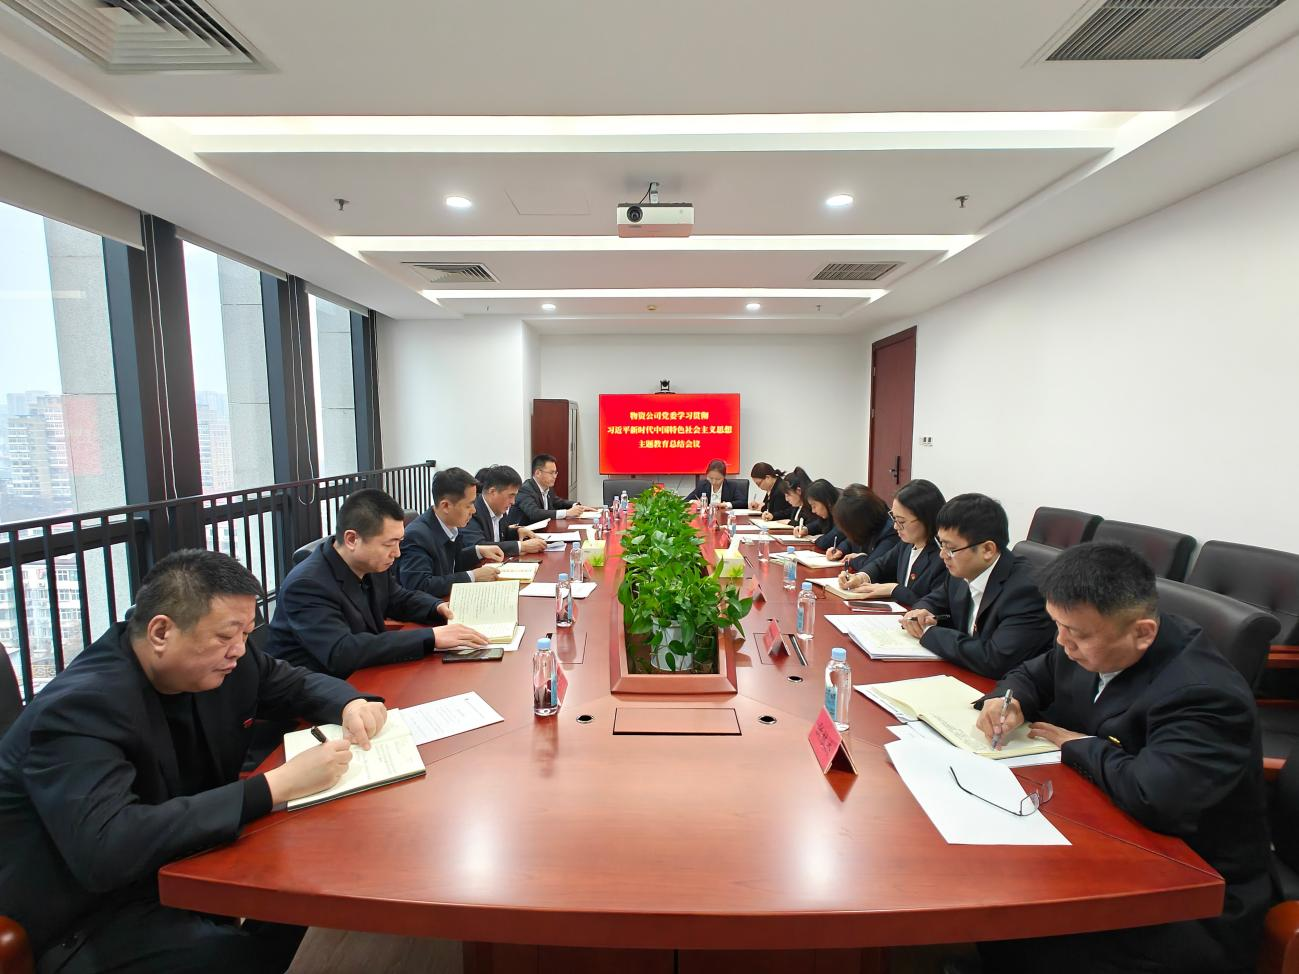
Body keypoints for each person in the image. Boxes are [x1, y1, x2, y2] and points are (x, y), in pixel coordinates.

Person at [0, 549, 388, 974]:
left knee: (308, 874)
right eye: (226, 636)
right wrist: (278, 785)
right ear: (161, 631)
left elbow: (291, 682)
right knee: (239, 955)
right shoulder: (81, 707)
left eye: (247, 633)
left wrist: (350, 703)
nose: (240, 650)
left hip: (179, 859)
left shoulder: (227, 661)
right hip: (87, 915)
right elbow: (107, 849)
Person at [968, 542, 1274, 974]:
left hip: (1189, 891)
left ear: (1143, 632)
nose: (1063, 642)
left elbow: (1155, 796)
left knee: (1016, 911)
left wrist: (1080, 745)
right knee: (993, 881)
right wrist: (1008, 700)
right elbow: (1034, 672)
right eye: (1058, 626)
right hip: (1104, 833)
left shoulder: (1203, 693)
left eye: (1076, 634)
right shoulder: (1089, 639)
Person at [268, 488, 486, 677]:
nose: (397, 553)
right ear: (352, 539)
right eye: (389, 544)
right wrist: (431, 637)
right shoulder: (307, 585)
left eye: (399, 542)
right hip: (320, 690)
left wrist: (437, 607)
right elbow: (341, 651)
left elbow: (397, 598)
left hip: (363, 672)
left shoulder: (371, 563)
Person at [900, 493, 1054, 678]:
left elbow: (995, 659)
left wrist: (929, 633)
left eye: (950, 548)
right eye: (941, 544)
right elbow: (934, 600)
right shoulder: (961, 572)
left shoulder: (1027, 590)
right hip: (964, 673)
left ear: (987, 549)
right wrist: (921, 612)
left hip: (1002, 687)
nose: (942, 555)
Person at [397, 467, 506, 597]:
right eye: (468, 505)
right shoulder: (417, 535)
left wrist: (478, 551)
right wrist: (472, 576)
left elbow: (454, 563)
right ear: (445, 506)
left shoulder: (451, 525)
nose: (474, 510)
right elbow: (420, 585)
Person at [840, 479, 946, 605]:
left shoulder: (943, 555)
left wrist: (894, 589)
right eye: (894, 518)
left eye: (901, 521)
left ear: (926, 518)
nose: (895, 526)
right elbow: (881, 565)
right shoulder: (906, 544)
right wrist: (860, 577)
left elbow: (935, 606)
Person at [461, 464, 548, 556]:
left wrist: (518, 532)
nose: (513, 502)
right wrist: (521, 546)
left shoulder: (499, 509)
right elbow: (479, 546)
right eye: (510, 496)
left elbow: (501, 535)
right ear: (493, 492)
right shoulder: (472, 512)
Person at [515, 453, 591, 524]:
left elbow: (558, 502)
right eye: (551, 473)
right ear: (538, 473)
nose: (555, 476)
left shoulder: (547, 488)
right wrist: (567, 513)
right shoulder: (525, 489)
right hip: (526, 531)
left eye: (555, 473)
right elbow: (534, 513)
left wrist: (576, 506)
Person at [685, 459, 749, 508]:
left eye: (718, 479)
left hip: (725, 518)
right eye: (711, 478)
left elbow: (743, 502)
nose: (714, 482)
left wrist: (726, 504)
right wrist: (694, 502)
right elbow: (685, 500)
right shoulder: (702, 485)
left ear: (724, 477)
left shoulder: (732, 486)